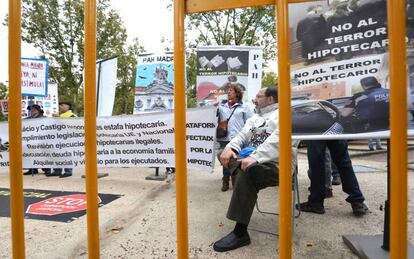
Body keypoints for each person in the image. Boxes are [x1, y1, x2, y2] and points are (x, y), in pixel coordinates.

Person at [213, 87, 295, 252]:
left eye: (258, 96)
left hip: (277, 165)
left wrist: (256, 157)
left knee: (248, 172)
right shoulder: (255, 117)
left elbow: (280, 139)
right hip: (251, 161)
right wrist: (231, 147)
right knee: (223, 154)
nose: (254, 99)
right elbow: (242, 135)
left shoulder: (286, 114)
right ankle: (244, 178)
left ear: (270, 99)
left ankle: (240, 233)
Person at [298, 140, 368, 216]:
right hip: (334, 129)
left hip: (315, 129)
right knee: (343, 160)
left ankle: (316, 202)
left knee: (317, 162)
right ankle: (357, 201)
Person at [216, 83, 253, 191]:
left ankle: (235, 180)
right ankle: (225, 181)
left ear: (237, 93)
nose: (228, 92)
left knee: (236, 160)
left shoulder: (245, 106)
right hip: (224, 137)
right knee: (225, 159)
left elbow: (250, 123)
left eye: (231, 90)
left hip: (238, 139)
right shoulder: (221, 105)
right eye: (228, 91)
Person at [47, 101, 77, 178]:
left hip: (67, 140)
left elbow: (72, 125)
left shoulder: (72, 116)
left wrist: (58, 118)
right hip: (57, 139)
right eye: (60, 105)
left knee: (67, 155)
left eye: (62, 105)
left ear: (68, 107)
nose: (60, 106)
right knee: (57, 155)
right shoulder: (60, 115)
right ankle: (57, 171)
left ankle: (68, 171)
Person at [23, 104, 51, 176]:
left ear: (38, 110)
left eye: (34, 109)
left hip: (42, 140)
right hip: (31, 140)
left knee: (43, 154)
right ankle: (32, 169)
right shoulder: (28, 119)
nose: (32, 111)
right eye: (30, 110)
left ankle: (47, 169)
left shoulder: (44, 118)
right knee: (31, 154)